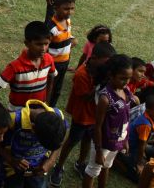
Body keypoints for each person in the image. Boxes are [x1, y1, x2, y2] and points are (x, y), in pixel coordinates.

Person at [49, 42, 116, 187]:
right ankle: (58, 166)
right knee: (72, 140)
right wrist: (101, 86)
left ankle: (80, 163)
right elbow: (84, 97)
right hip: (82, 115)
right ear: (95, 58)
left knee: (87, 139)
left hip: (94, 116)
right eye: (106, 62)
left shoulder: (101, 72)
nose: (108, 66)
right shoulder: (81, 74)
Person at [83, 54, 134, 188]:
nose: (126, 82)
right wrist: (99, 151)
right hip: (104, 142)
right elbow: (98, 126)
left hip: (117, 140)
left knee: (107, 165)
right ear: (111, 75)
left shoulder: (126, 91)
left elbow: (126, 118)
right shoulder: (105, 98)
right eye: (122, 78)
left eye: (129, 78)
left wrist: (125, 140)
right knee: (93, 170)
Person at [0, 21, 56, 110]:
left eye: (46, 44)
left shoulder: (49, 60)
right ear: (27, 43)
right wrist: (0, 111)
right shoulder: (15, 67)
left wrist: (46, 103)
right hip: (18, 114)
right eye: (38, 44)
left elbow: (51, 77)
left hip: (40, 111)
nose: (43, 48)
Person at [0, 99, 67, 188]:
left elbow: (60, 141)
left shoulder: (59, 116)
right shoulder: (13, 120)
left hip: (38, 169)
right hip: (13, 169)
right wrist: (12, 160)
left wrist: (51, 160)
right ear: (33, 129)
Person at [118, 93, 154, 182]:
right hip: (129, 147)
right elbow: (141, 145)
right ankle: (118, 160)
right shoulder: (145, 125)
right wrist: (140, 163)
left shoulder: (152, 118)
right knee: (138, 176)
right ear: (148, 111)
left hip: (138, 145)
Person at [46, 0, 76, 107]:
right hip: (54, 64)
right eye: (66, 9)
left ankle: (52, 108)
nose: (69, 12)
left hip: (65, 61)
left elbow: (67, 35)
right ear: (56, 8)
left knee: (58, 89)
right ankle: (46, 108)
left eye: (72, 8)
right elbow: (45, 47)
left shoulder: (67, 21)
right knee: (50, 88)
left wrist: (71, 40)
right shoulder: (51, 28)